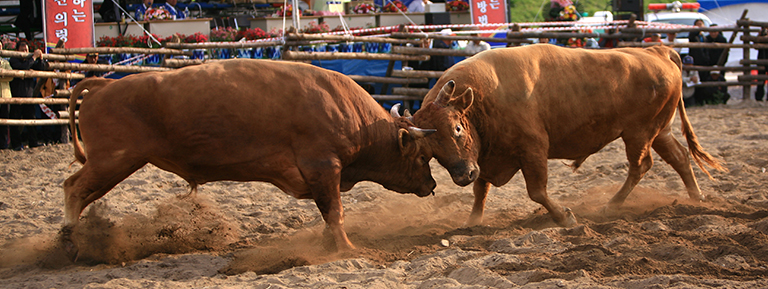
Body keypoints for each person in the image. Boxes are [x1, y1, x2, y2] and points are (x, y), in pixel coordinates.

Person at [9, 40, 47, 151]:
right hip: (16, 96)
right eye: (22, 50)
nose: (25, 52)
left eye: (26, 50)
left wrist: (40, 58)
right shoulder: (13, 59)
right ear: (17, 51)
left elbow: (41, 67)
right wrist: (32, 59)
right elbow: (23, 68)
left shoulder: (30, 61)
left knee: (31, 120)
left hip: (29, 95)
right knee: (15, 121)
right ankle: (16, 144)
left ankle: (33, 142)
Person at [0, 54, 11, 149]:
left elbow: (11, 76)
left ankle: (3, 144)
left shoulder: (5, 62)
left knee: (4, 121)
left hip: (5, 95)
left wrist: (1, 76)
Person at [756, 27, 768, 101]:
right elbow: (755, 46)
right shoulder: (760, 37)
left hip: (763, 58)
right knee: (760, 80)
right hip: (761, 59)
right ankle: (759, 96)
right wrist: (760, 36)